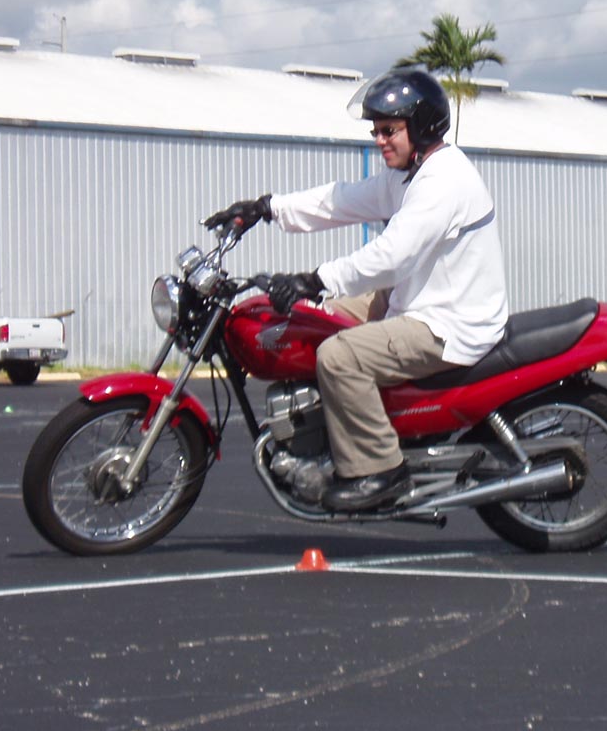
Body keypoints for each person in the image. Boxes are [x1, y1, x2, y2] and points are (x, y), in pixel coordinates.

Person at [204, 68, 509, 511]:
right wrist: (266, 208)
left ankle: (379, 470)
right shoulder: (409, 174)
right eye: (376, 131)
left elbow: (391, 257)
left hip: (447, 323)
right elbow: (341, 200)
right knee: (308, 320)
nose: (380, 140)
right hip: (417, 296)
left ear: (421, 126)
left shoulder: (443, 182)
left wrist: (314, 279)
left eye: (389, 131)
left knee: (338, 356)